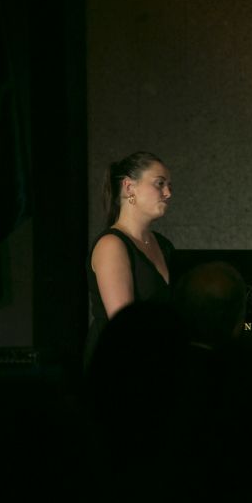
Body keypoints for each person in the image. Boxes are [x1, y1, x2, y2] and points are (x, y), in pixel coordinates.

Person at [84, 151, 173, 367]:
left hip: (154, 361)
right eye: (159, 184)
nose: (168, 193)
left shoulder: (163, 245)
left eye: (169, 185)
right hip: (119, 366)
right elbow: (124, 328)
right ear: (129, 187)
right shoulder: (111, 245)